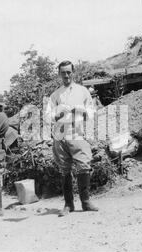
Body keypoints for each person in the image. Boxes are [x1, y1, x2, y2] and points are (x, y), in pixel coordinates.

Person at [45, 60, 99, 217]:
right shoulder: (55, 95)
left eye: (69, 72)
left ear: (73, 73)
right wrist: (58, 114)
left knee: (83, 165)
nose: (66, 75)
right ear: (59, 74)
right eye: (63, 73)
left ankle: (86, 201)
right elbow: (47, 116)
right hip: (60, 136)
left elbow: (92, 111)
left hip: (77, 134)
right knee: (64, 170)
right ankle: (68, 204)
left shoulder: (82, 91)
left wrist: (79, 110)